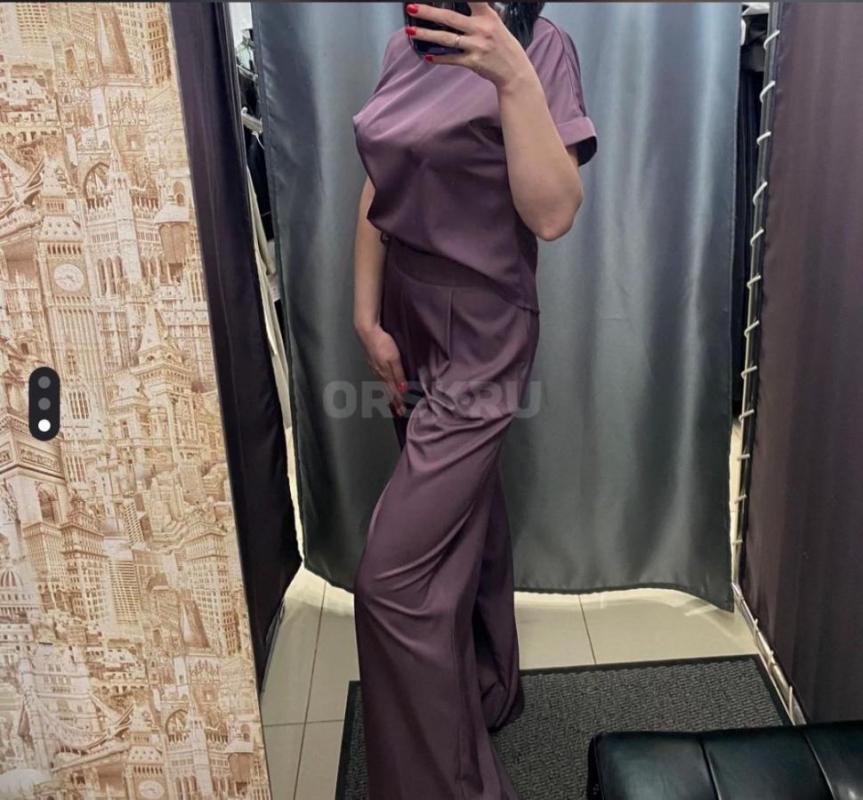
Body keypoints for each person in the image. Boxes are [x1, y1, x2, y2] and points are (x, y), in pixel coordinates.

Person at [351, 3, 597, 797]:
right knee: (468, 518)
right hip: (406, 305)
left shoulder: (538, 49)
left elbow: (552, 214)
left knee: (393, 584)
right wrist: (366, 314)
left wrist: (511, 76)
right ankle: (490, 685)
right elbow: (380, 180)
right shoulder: (407, 47)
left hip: (483, 322)